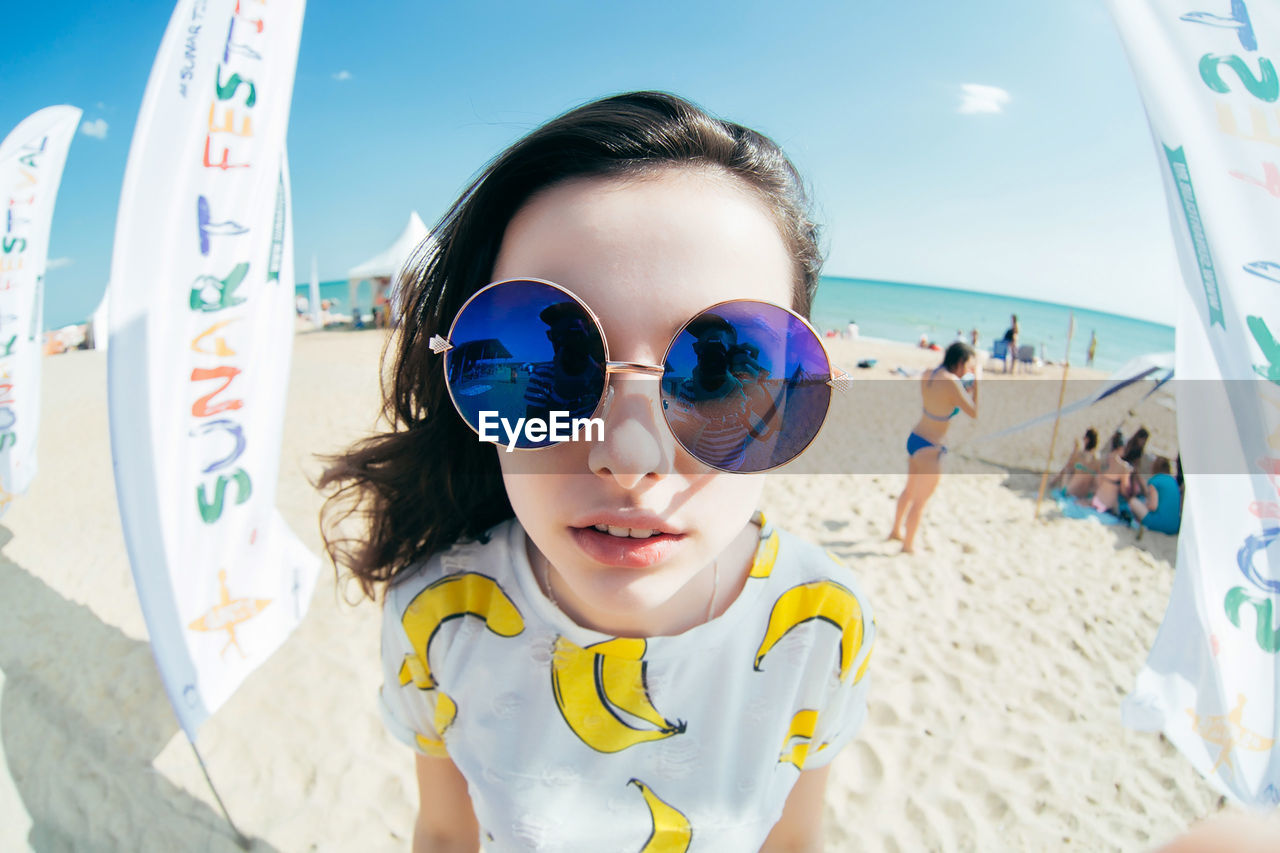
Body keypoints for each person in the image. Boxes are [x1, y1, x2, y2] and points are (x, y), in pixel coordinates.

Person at [319, 92, 874, 852]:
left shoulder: (821, 626)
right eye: (548, 358)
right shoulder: (438, 617)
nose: (630, 456)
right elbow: (446, 835)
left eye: (717, 373)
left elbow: (795, 841)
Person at [890, 341, 979, 554]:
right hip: (931, 446)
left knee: (909, 490)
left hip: (915, 438)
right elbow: (973, 412)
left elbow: (943, 400)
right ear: (959, 362)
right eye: (967, 365)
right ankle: (908, 545)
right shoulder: (951, 382)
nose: (967, 370)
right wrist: (979, 384)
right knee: (920, 501)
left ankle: (895, 531)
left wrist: (964, 387)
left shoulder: (929, 373)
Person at [1129, 455, 1182, 534]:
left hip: (1161, 525)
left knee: (1133, 501)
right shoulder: (1173, 480)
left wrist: (1145, 504)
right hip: (1175, 526)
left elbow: (1153, 506)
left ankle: (1138, 524)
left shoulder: (1154, 480)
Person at [1089, 429, 1131, 515]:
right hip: (1109, 505)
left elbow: (1097, 482)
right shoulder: (1124, 467)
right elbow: (1124, 490)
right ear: (1121, 447)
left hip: (1096, 500)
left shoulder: (1103, 460)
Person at [1051, 427, 1100, 500]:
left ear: (1087, 440)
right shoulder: (1098, 459)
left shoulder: (1079, 455)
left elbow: (1067, 467)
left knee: (1068, 469)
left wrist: (1075, 450)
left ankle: (1053, 482)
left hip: (1069, 492)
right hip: (1084, 495)